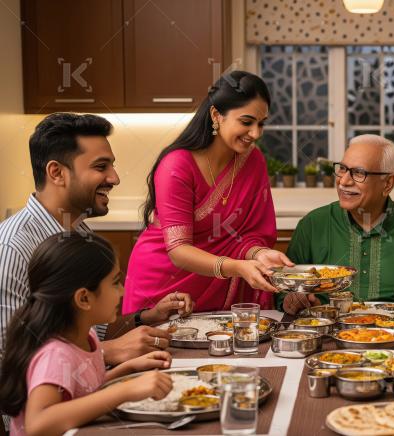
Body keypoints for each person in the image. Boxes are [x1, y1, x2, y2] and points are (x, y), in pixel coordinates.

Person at [0, 113, 191, 366]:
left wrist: (146, 317)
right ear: (57, 173)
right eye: (101, 167)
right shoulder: (12, 247)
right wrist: (106, 352)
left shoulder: (82, 235)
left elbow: (94, 332)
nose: (114, 178)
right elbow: (7, 358)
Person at [123, 71, 294, 315]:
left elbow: (252, 232)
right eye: (246, 122)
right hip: (166, 284)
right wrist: (238, 267)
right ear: (216, 115)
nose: (256, 133)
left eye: (261, 123)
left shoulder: (252, 160)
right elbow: (179, 249)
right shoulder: (177, 165)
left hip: (223, 285)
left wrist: (261, 254)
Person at [0, 233, 175, 436]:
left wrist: (128, 369)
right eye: (115, 282)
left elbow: (83, 389)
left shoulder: (87, 337)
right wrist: (123, 391)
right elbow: (38, 423)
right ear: (84, 298)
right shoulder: (56, 354)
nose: (122, 291)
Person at [280, 135, 394, 315]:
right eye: (342, 169)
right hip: (328, 333)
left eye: (359, 173)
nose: (343, 181)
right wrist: (292, 301)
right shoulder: (312, 224)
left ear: (388, 183)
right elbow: (283, 290)